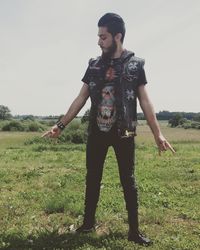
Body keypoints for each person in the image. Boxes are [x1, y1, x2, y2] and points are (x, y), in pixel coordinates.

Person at [42, 13, 175, 246]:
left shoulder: (135, 64)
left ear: (117, 36)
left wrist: (158, 134)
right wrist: (60, 125)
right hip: (97, 131)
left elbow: (145, 101)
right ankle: (88, 224)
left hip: (124, 131)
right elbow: (81, 97)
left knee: (128, 180)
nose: (99, 41)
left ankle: (134, 231)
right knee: (92, 178)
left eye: (103, 37)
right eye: (98, 37)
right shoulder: (93, 65)